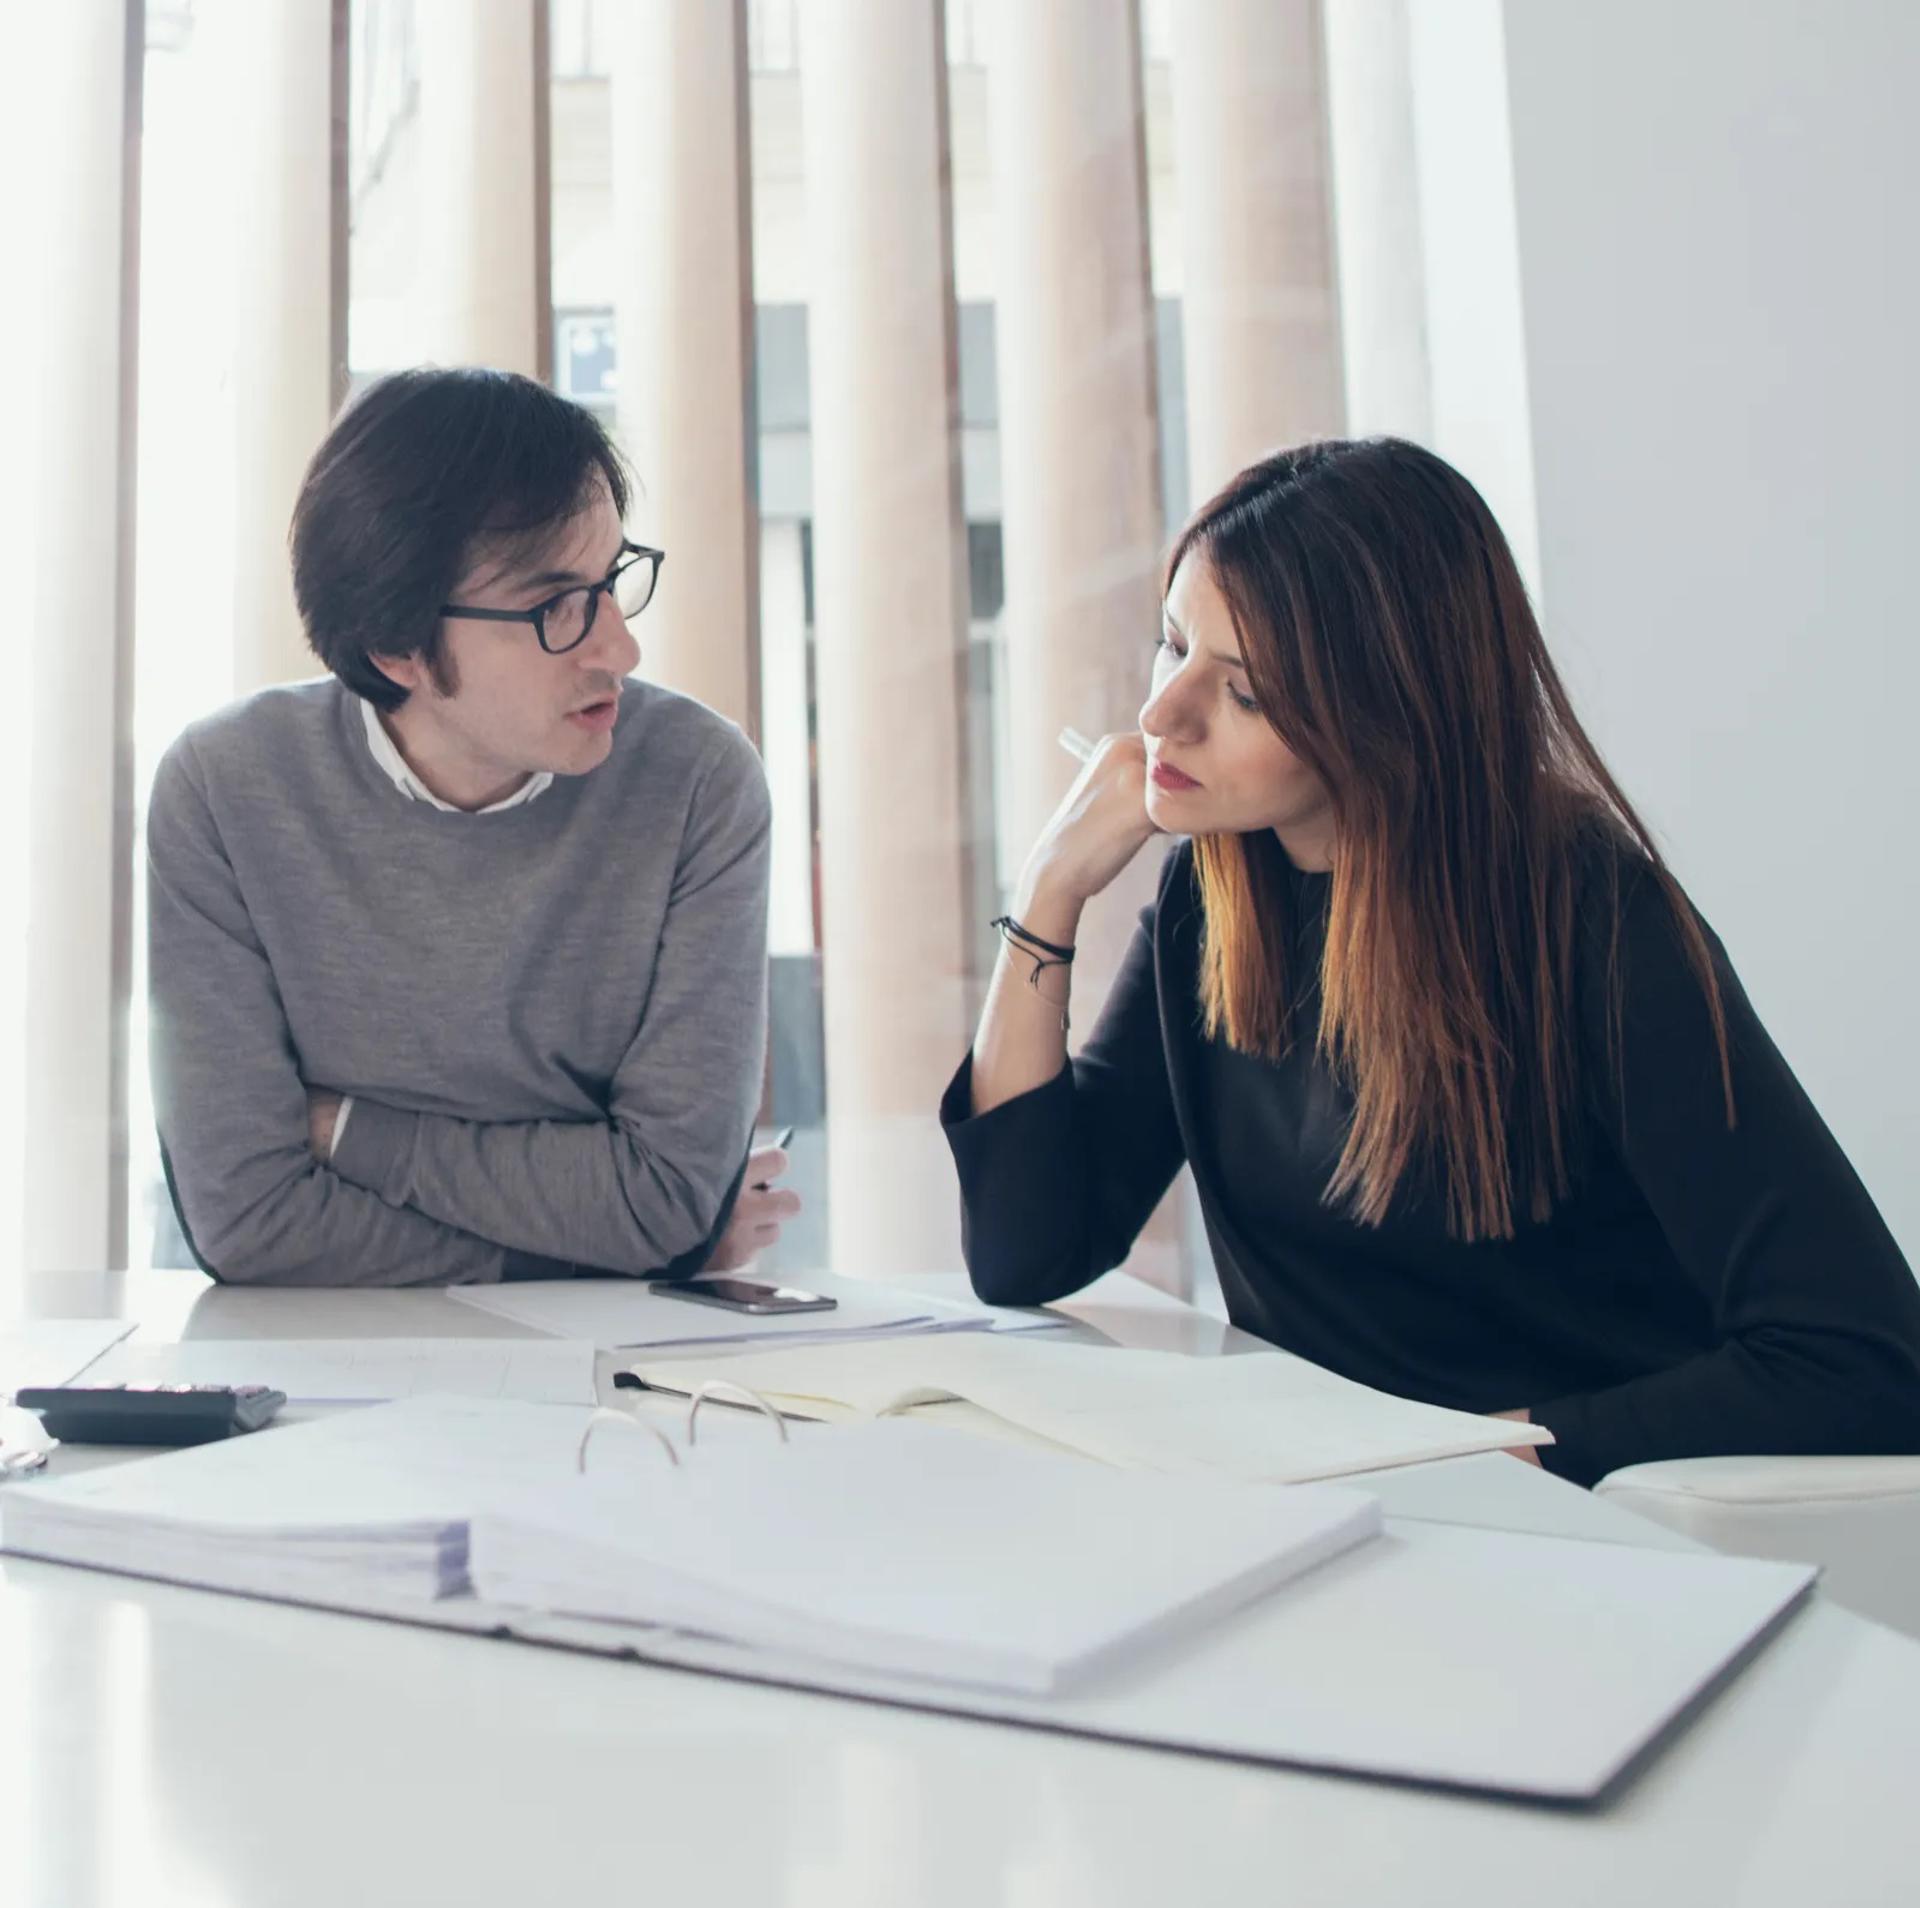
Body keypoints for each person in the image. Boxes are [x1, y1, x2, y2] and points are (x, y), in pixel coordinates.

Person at [943, 437, 1920, 1486]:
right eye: (1172, 645)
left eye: (1246, 693)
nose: (1161, 715)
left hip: (1573, 1530)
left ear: (1386, 713)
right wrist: (1049, 891)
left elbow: (1866, 1359)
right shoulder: (1214, 897)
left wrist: (1470, 1455)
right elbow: (1026, 1250)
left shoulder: (1592, 922)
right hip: (1340, 1511)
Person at [150, 367, 798, 1286]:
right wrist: (612, 1255)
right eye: (555, 607)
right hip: (305, 1355)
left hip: (608, 1362)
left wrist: (346, 1132)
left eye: (611, 580)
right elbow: (251, 1222)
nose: (619, 648)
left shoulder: (697, 781)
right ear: (397, 648)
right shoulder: (225, 791)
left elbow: (664, 1202)